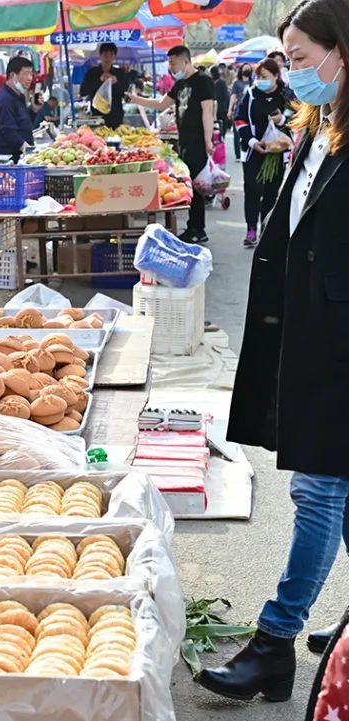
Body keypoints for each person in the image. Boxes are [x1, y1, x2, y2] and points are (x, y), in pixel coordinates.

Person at [200, 0, 349, 703]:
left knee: (318, 489)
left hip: (341, 348)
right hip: (309, 337)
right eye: (286, 62)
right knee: (340, 489)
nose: (292, 77)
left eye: (300, 61)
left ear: (341, 54)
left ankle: (274, 642)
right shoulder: (318, 128)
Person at [127, 46, 217, 244]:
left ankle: (198, 229)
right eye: (169, 63)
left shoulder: (203, 81)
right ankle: (193, 227)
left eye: (173, 63)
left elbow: (207, 111)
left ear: (186, 61)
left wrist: (208, 140)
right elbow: (161, 104)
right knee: (189, 184)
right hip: (183, 141)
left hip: (198, 141)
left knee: (197, 186)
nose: (171, 67)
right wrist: (136, 99)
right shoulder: (180, 84)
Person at [234, 58, 293, 247]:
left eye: (265, 76)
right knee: (252, 190)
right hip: (254, 151)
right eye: (258, 76)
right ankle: (251, 229)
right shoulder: (250, 94)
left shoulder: (287, 95)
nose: (261, 80)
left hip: (277, 153)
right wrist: (251, 141)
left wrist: (282, 120)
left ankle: (266, 229)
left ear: (276, 76)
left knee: (270, 193)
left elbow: (299, 120)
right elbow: (239, 119)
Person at [0, 55, 36, 162]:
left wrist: (34, 110)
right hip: (11, 159)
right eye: (26, 73)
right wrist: (27, 148)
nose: (30, 78)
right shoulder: (5, 99)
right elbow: (8, 131)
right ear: (13, 75)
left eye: (31, 74)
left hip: (22, 156)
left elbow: (24, 123)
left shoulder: (19, 96)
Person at [80, 42, 128, 128]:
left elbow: (125, 94)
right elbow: (83, 91)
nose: (108, 58)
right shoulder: (92, 73)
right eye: (105, 54)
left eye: (111, 55)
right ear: (100, 55)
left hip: (115, 117)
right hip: (97, 116)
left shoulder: (120, 73)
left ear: (114, 56)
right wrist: (99, 80)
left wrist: (116, 83)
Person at [228, 64, 254, 160]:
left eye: (248, 68)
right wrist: (229, 110)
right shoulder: (237, 83)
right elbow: (233, 96)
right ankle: (238, 154)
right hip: (238, 110)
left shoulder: (253, 82)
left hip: (250, 111)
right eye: (245, 68)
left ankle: (247, 151)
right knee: (237, 133)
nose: (247, 70)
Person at [212, 64, 232, 135]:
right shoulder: (222, 82)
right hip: (222, 109)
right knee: (222, 128)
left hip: (212, 109)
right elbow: (226, 96)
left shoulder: (210, 82)